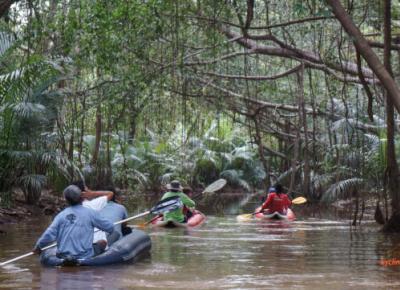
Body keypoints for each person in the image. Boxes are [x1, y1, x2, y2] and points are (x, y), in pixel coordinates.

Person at [33, 185, 115, 262]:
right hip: (85, 256)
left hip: (62, 257)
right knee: (102, 242)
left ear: (66, 200)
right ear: (82, 198)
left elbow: (49, 234)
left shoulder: (60, 216)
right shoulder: (91, 213)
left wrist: (38, 246)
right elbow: (110, 227)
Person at [72, 181, 119, 253]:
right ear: (84, 193)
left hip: (77, 244)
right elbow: (110, 193)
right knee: (115, 233)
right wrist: (92, 193)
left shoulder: (67, 211)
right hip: (94, 244)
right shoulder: (93, 204)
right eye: (87, 189)